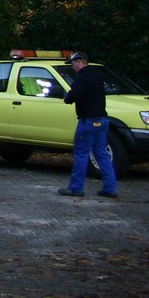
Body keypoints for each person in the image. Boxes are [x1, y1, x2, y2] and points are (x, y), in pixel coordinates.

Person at [58, 52, 119, 199]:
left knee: (81, 154)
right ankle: (110, 188)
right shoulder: (97, 75)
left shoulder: (82, 78)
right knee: (102, 154)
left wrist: (67, 97)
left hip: (88, 122)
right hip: (102, 120)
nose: (73, 67)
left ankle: (76, 188)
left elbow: (72, 96)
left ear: (78, 62)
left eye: (73, 64)